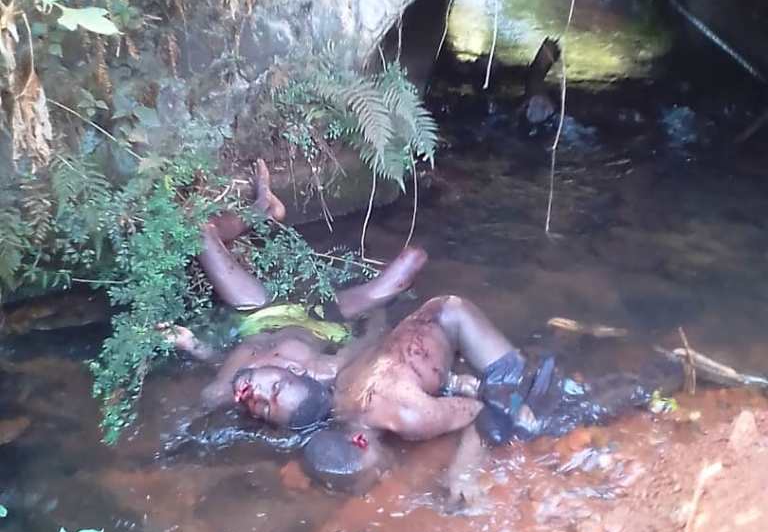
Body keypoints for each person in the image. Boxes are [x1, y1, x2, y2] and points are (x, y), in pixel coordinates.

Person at [164, 161, 689, 504]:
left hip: (314, 312)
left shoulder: (325, 375)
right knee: (413, 273)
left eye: (267, 390)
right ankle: (270, 213)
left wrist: (381, 318)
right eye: (263, 402)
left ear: (295, 369)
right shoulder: (303, 391)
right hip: (334, 316)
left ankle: (265, 211)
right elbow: (371, 362)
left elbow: (383, 366)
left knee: (513, 406)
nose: (253, 394)